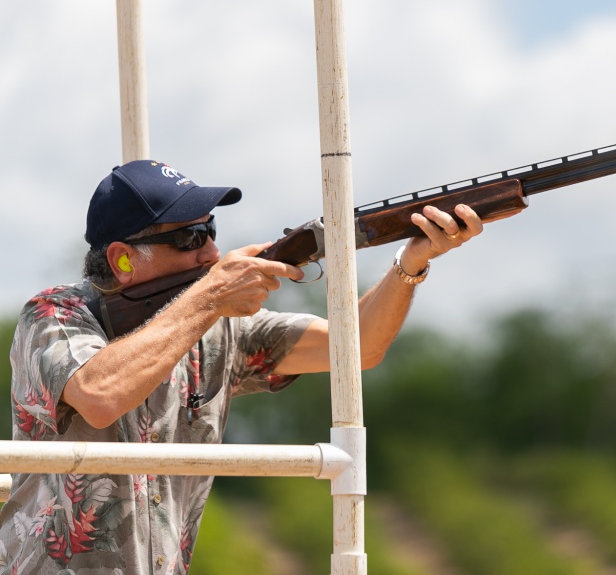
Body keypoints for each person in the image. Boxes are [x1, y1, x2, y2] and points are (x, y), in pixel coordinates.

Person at [0, 159, 499, 575]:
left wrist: (410, 264)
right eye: (191, 237)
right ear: (124, 260)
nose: (213, 251)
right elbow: (99, 395)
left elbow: (359, 348)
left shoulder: (217, 325)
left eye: (211, 231)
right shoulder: (56, 314)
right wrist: (211, 296)